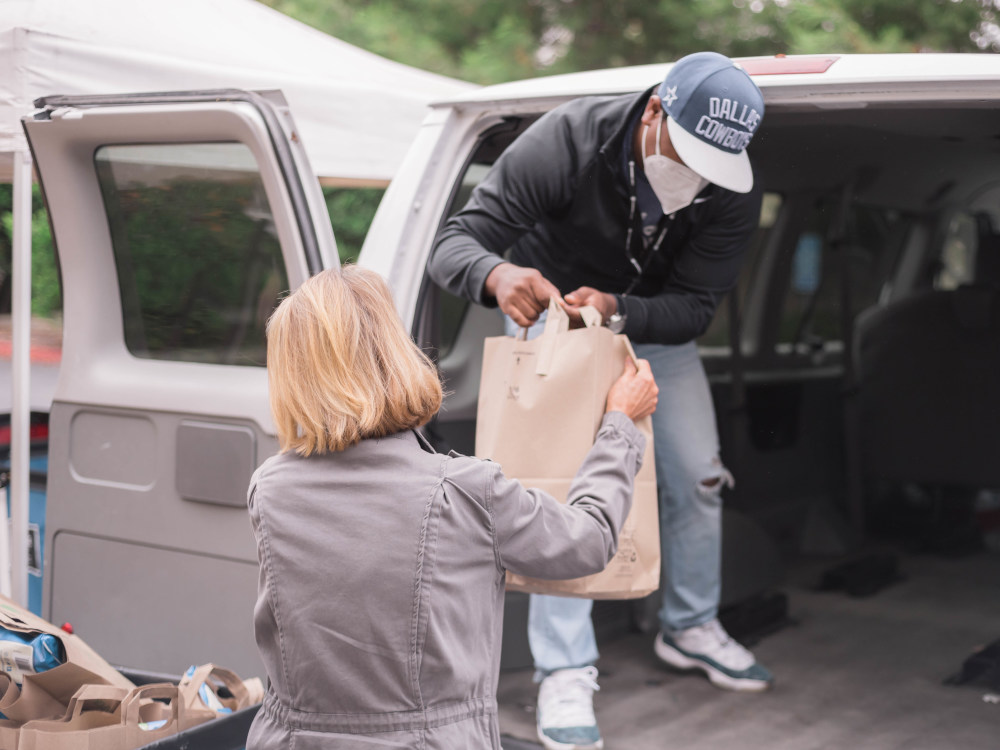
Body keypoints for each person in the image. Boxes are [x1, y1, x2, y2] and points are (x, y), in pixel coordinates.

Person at [428, 51, 773, 750]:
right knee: (559, 487)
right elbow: (453, 243)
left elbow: (696, 307)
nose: (698, 174)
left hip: (647, 325)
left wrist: (620, 308)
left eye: (714, 161)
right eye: (688, 152)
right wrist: (495, 276)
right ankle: (564, 669)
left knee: (698, 475)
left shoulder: (731, 188)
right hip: (550, 320)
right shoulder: (567, 142)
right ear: (654, 112)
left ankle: (691, 624)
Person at [245, 266, 658, 749]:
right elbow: (588, 542)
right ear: (396, 353)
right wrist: (619, 426)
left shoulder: (269, 489)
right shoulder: (467, 490)